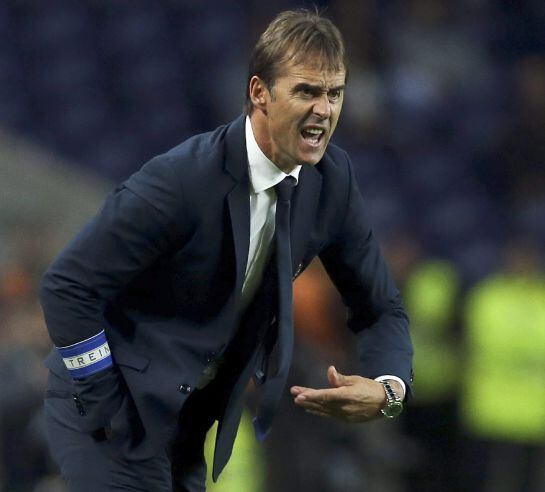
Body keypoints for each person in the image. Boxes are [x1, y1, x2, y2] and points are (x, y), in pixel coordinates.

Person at [39, 9, 413, 491]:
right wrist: (103, 397)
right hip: (116, 410)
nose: (324, 109)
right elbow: (67, 286)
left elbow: (381, 306)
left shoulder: (331, 183)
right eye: (306, 91)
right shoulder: (183, 179)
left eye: (334, 93)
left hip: (188, 423)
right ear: (260, 92)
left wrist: (388, 391)